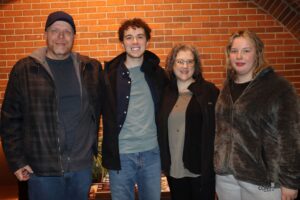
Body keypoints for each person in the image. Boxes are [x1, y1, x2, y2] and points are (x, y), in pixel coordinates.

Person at [0, 11, 102, 200]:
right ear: (45, 35)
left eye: (67, 32)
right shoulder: (25, 70)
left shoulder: (90, 68)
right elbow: (9, 120)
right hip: (42, 171)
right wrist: (16, 161)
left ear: (74, 37)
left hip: (81, 169)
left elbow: (103, 108)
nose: (61, 37)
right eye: (55, 31)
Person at [214, 30, 300, 200]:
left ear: (258, 53)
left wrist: (290, 181)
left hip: (262, 178)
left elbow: (291, 138)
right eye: (234, 51)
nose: (239, 56)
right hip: (226, 177)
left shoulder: (279, 87)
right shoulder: (227, 86)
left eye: (246, 50)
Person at [101, 18, 168, 200]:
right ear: (122, 42)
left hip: (152, 154)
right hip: (121, 156)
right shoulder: (109, 76)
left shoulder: (158, 74)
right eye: (129, 37)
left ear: (147, 41)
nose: (135, 42)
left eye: (140, 37)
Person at [157, 44, 219, 200]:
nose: (185, 66)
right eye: (180, 61)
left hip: (200, 168)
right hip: (174, 168)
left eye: (190, 62)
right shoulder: (165, 93)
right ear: (172, 64)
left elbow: (220, 130)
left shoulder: (209, 91)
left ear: (196, 65)